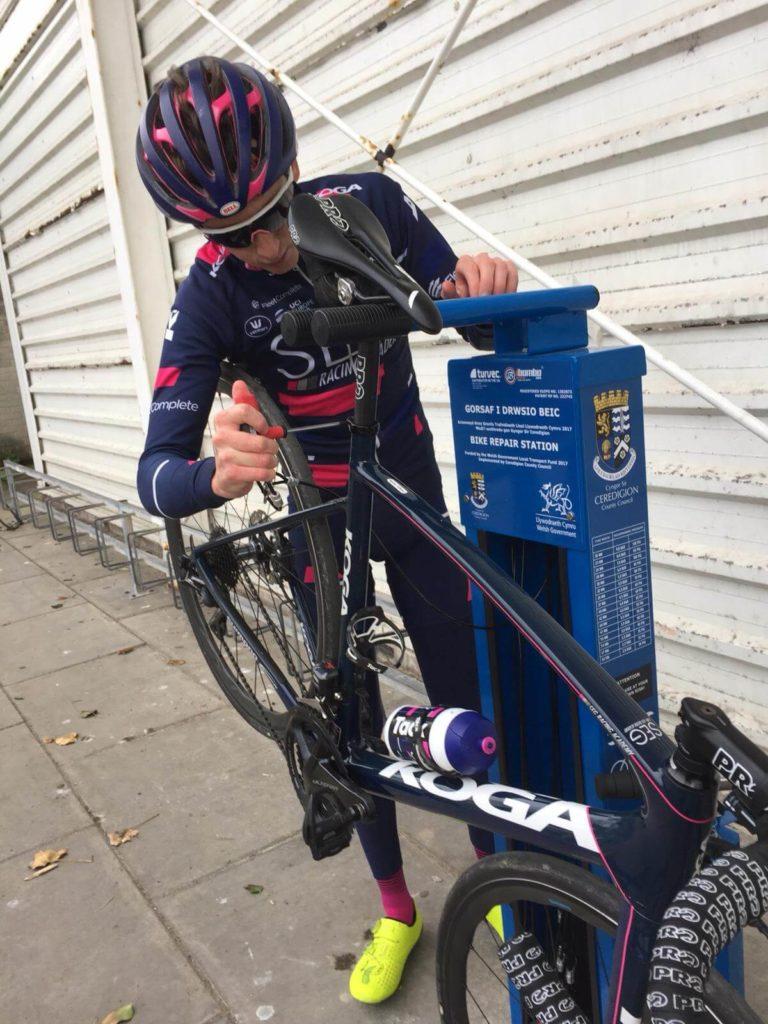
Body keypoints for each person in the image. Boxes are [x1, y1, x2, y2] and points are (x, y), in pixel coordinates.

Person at [136, 55, 518, 1004]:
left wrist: (484, 285)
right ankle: (396, 908)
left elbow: (470, 317)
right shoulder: (210, 294)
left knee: (463, 683)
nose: (262, 242)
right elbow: (153, 475)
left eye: (270, 211)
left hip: (407, 483)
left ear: (294, 166)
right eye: (231, 231)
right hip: (317, 522)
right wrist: (211, 473)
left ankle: (500, 875)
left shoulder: (370, 205)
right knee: (350, 724)